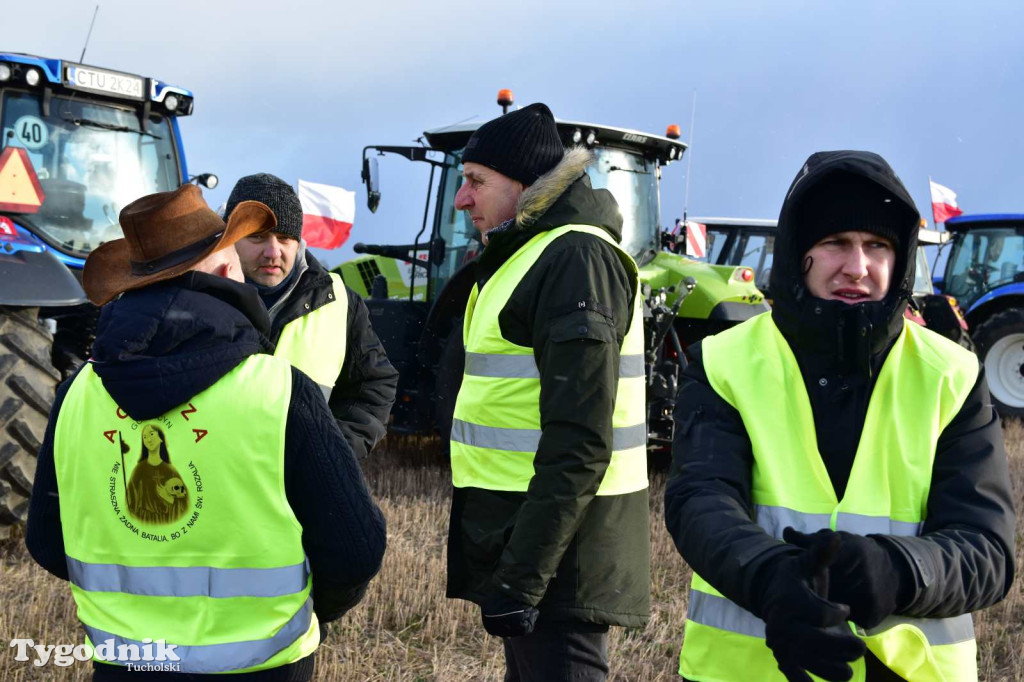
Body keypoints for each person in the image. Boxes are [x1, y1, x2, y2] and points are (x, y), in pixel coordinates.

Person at [665, 151, 1016, 682]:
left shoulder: (953, 374)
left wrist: (895, 571)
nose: (857, 266)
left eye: (878, 246)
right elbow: (701, 503)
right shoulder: (722, 362)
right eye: (834, 243)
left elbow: (986, 548)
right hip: (745, 670)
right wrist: (772, 579)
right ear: (796, 252)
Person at [25, 184, 387, 680]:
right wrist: (306, 607)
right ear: (222, 270)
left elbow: (47, 541)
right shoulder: (280, 391)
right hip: (264, 665)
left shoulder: (75, 395)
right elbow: (355, 549)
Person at [446, 103, 650, 681]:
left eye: (476, 181)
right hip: (535, 536)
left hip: (563, 551)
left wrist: (523, 574)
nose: (464, 199)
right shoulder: (532, 255)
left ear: (528, 185)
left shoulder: (575, 259)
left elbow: (580, 440)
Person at [222, 174, 398, 460]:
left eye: (285, 238)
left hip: (297, 495)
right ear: (230, 237)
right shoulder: (195, 296)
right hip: (219, 484)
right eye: (257, 237)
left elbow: (374, 384)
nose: (272, 252)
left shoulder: (339, 301)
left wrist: (334, 452)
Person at [125, 424, 189, 525]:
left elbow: (184, 503)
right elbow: (130, 504)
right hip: (145, 521)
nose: (148, 440)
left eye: (151, 434)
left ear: (161, 438)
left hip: (169, 521)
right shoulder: (139, 470)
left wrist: (169, 499)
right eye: (145, 437)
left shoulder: (170, 470)